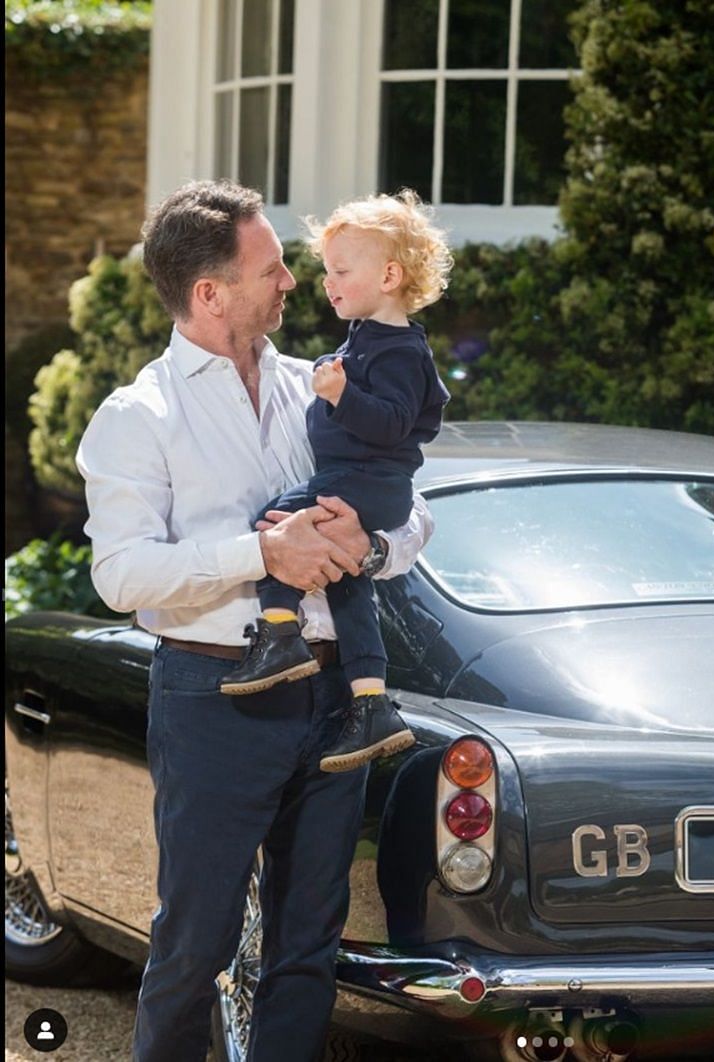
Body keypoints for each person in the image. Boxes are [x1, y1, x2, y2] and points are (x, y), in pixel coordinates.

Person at [75, 178, 432, 1062]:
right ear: (210, 292)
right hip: (212, 698)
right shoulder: (137, 416)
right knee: (191, 947)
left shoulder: (318, 383)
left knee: (308, 950)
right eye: (271, 269)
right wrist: (259, 555)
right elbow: (119, 575)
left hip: (333, 695)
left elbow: (412, 507)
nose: (292, 283)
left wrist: (374, 546)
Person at [219, 189, 452, 774]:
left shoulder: (398, 349)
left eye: (341, 270)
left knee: (274, 520)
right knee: (348, 582)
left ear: (390, 274)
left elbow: (394, 422)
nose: (326, 281)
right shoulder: (368, 339)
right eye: (328, 270)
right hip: (359, 482)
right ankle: (371, 702)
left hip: (367, 482)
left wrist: (341, 394)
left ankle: (278, 634)